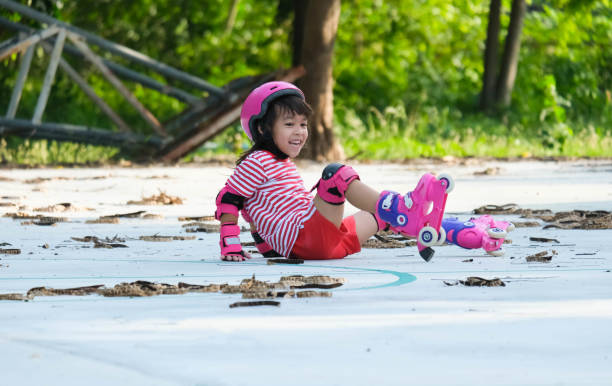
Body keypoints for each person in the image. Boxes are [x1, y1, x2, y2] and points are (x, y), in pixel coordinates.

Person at [214, 81, 455, 263]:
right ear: (262, 128)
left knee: (381, 216)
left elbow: (257, 215)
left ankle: (442, 229)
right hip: (306, 236)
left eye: (303, 124)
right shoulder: (257, 160)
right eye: (289, 125)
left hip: (322, 246)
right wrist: (230, 244)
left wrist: (271, 251)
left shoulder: (280, 163)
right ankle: (403, 208)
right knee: (335, 175)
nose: (299, 132)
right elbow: (229, 199)